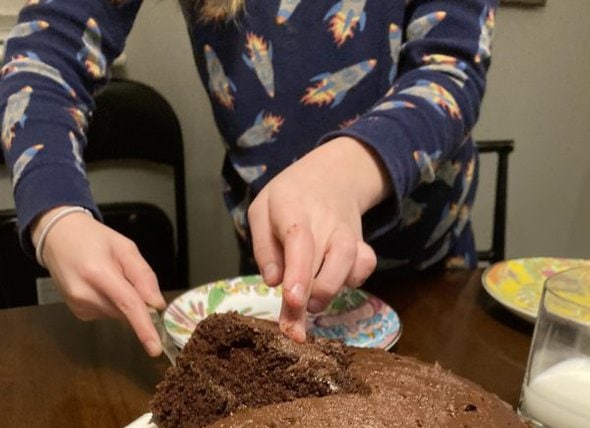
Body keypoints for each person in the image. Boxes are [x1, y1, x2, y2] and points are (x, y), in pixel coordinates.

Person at [0, 0, 498, 355]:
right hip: (274, 283)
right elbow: (45, 54)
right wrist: (54, 214)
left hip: (431, 284)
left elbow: (450, 70)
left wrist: (344, 171)